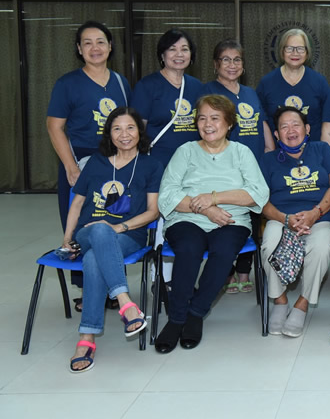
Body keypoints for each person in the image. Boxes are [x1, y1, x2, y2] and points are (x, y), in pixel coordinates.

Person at [154, 94, 269, 353]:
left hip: (231, 220)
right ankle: (176, 319)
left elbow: (258, 194)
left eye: (215, 118)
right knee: (188, 249)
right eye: (202, 118)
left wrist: (215, 198)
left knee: (224, 251)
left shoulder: (242, 153)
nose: (208, 124)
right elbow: (167, 195)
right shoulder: (185, 152)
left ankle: (195, 313)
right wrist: (207, 209)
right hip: (186, 218)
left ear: (229, 124)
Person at [61, 107, 162, 372]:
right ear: (109, 133)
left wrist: (120, 227)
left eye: (130, 128)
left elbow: (154, 211)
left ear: (139, 132)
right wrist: (66, 238)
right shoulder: (96, 161)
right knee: (98, 231)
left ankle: (87, 337)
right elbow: (77, 203)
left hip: (131, 234)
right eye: (116, 129)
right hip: (88, 232)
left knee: (95, 256)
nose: (124, 134)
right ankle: (125, 302)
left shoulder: (151, 164)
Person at [47, 21, 132, 294]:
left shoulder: (120, 82)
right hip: (81, 161)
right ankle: (87, 290)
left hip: (115, 161)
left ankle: (110, 285)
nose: (95, 48)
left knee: (112, 221)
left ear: (110, 46)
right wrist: (70, 167)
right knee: (83, 223)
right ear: (79, 49)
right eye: (87, 42)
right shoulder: (67, 83)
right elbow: (54, 126)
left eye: (100, 42)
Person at [204, 39, 275, 294]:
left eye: (237, 60)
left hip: (253, 165)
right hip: (223, 169)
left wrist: (270, 151)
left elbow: (261, 123)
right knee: (227, 218)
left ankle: (244, 270)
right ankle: (227, 270)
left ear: (243, 66)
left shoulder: (250, 93)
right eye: (226, 59)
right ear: (215, 64)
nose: (232, 65)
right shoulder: (209, 93)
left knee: (254, 216)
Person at [261, 106, 330, 337]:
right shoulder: (267, 160)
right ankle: (280, 301)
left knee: (322, 248)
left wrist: (315, 213)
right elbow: (260, 202)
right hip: (282, 218)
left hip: (319, 216)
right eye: (284, 126)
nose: (291, 130)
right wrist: (285, 219)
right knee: (269, 242)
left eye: (296, 124)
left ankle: (302, 303)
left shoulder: (321, 150)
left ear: (307, 128)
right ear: (276, 134)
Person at [131, 29, 204, 167]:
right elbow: (136, 131)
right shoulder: (146, 86)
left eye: (184, 49)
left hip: (193, 164)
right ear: (162, 55)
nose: (179, 54)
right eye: (172, 49)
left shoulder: (198, 87)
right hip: (158, 164)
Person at [257, 28, 330, 139]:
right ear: (282, 51)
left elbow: (328, 122)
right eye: (289, 48)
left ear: (307, 52)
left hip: (313, 152)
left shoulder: (319, 82)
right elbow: (261, 123)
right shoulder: (266, 83)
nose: (295, 53)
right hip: (277, 152)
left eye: (300, 49)